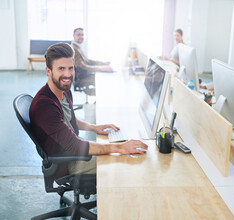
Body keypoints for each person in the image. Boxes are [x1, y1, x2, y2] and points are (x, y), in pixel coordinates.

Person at [29, 43, 147, 178]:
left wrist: (94, 127)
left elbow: (66, 118)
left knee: (120, 151)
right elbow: (74, 146)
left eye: (70, 68)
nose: (67, 74)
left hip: (72, 150)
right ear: (48, 71)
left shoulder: (63, 89)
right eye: (61, 69)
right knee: (125, 160)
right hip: (67, 163)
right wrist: (119, 148)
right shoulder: (44, 105)